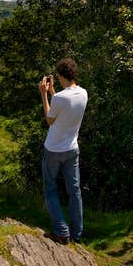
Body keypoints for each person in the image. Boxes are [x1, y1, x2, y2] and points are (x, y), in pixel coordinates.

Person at [38, 58, 88, 245]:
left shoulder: (59, 98)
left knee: (51, 189)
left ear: (60, 76)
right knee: (74, 191)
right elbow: (66, 106)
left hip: (53, 149)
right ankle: (77, 233)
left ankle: (61, 231)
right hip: (72, 149)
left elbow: (50, 119)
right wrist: (53, 92)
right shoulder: (83, 93)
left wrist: (44, 94)